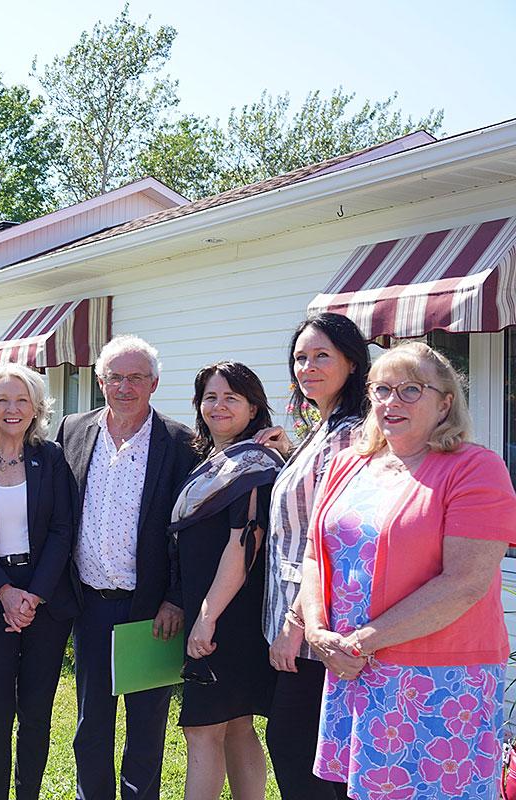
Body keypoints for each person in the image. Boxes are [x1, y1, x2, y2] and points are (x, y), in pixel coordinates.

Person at [300, 341, 516, 799]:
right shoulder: (347, 464)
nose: (391, 402)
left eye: (411, 390)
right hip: (354, 668)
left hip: (436, 678)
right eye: (381, 390)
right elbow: (317, 555)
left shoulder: (476, 469)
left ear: (445, 402)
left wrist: (361, 642)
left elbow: (465, 583)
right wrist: (318, 632)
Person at [56, 334, 197, 800]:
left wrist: (175, 598)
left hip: (151, 610)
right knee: (90, 721)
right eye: (115, 377)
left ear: (154, 383)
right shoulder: (74, 430)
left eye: (136, 377)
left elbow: (189, 534)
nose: (125, 387)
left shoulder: (180, 443)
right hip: (90, 604)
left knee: (146, 724)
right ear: (100, 381)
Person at [253, 313, 368, 800]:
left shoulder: (351, 433)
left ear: (352, 362)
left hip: (319, 623)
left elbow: (329, 538)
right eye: (301, 357)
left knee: (302, 751)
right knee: (303, 747)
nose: (308, 366)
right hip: (301, 616)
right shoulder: (326, 429)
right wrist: (291, 452)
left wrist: (294, 624)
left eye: (322, 355)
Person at [0, 362, 76, 800]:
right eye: (3, 399)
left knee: (36, 710)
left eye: (21, 399)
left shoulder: (52, 457)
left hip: (43, 597)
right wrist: (5, 592)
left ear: (36, 407)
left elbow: (64, 528)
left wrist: (33, 596)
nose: (12, 408)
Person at [169, 361, 281, 800]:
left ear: (253, 407)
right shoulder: (210, 461)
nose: (218, 406)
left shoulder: (253, 464)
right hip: (214, 609)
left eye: (231, 397)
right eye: (210, 397)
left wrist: (206, 618)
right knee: (236, 723)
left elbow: (244, 545)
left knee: (201, 730)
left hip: (226, 614)